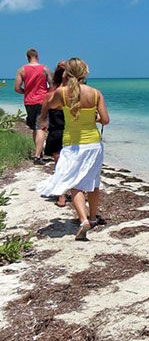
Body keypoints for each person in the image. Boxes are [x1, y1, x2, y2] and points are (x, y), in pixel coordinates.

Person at [36, 58, 109, 240]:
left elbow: (52, 105)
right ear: (85, 73)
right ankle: (92, 218)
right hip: (94, 144)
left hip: (72, 145)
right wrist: (95, 118)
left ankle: (83, 219)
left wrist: (62, 85)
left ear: (67, 74)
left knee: (74, 183)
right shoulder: (95, 93)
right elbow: (105, 119)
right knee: (93, 182)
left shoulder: (62, 92)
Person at [14, 48, 53, 164]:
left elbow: (16, 88)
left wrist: (25, 92)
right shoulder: (45, 68)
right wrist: (46, 93)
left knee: (34, 127)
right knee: (40, 127)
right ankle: (37, 156)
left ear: (27, 58)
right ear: (38, 57)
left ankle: (38, 151)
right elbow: (51, 85)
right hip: (42, 100)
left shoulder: (22, 70)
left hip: (29, 101)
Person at [41, 61, 67, 207]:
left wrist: (45, 125)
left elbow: (43, 118)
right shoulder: (76, 95)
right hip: (72, 132)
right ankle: (78, 193)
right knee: (74, 164)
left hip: (56, 132)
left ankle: (61, 196)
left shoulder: (50, 95)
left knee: (59, 164)